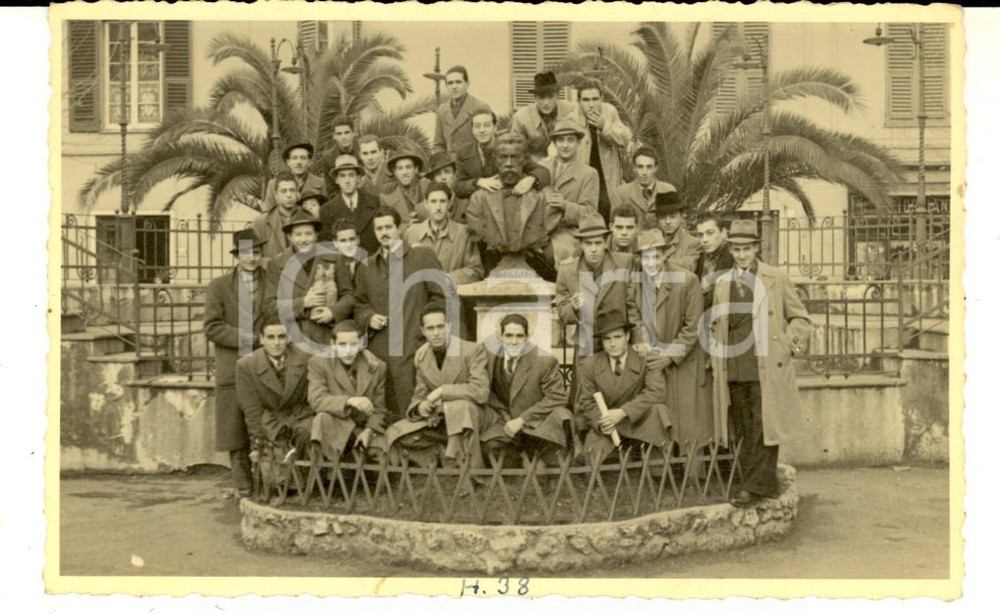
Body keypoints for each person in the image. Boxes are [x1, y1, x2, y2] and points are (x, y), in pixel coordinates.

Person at [709, 219, 812, 507]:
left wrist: (788, 341)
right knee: (742, 425)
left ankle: (756, 487)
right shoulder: (722, 283)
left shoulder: (775, 278)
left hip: (765, 364)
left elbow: (800, 317)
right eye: (737, 249)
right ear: (730, 250)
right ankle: (752, 482)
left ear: (756, 248)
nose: (742, 255)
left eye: (747, 248)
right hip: (734, 365)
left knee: (763, 426)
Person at [352, 206, 448, 419]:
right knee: (383, 410)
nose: (384, 233)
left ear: (399, 228)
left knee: (415, 406)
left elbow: (441, 297)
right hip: (380, 350)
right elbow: (359, 304)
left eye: (388, 227)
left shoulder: (422, 257)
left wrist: (427, 335)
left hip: (414, 345)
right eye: (379, 229)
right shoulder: (366, 267)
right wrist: (368, 317)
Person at [630, 229, 713, 448]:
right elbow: (634, 315)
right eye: (646, 257)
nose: (651, 263)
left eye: (656, 256)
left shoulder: (687, 280)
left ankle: (693, 478)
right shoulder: (637, 283)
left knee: (688, 422)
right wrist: (642, 342)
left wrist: (668, 356)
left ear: (665, 255)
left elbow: (693, 327)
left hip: (683, 361)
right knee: (659, 419)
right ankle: (663, 475)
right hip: (652, 359)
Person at [204, 229, 269, 498]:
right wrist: (251, 339)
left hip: (266, 362)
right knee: (235, 427)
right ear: (236, 256)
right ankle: (242, 483)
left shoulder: (273, 282)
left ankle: (268, 479)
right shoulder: (219, 286)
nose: (251, 258)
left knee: (265, 421)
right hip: (233, 363)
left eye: (255, 252)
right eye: (245, 253)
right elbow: (213, 327)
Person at [386, 303, 489, 468]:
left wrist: (441, 392)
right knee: (396, 432)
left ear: (449, 327)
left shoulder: (472, 350)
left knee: (459, 408)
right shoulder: (422, 358)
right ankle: (443, 454)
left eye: (440, 327)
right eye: (430, 328)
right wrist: (421, 407)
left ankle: (470, 471)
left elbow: (481, 392)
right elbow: (419, 396)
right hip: (439, 418)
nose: (436, 333)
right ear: (423, 331)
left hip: (474, 416)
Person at [465, 132, 569, 281]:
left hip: (531, 267)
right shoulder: (478, 200)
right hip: (496, 268)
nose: (508, 163)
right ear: (496, 160)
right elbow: (477, 227)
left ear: (525, 160)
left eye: (514, 157)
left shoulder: (546, 198)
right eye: (503, 157)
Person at [574, 309, 671, 462]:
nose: (612, 344)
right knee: (592, 468)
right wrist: (602, 423)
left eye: (617, 337)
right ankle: (616, 455)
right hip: (608, 424)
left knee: (658, 410)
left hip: (637, 421)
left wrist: (623, 412)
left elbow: (656, 393)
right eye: (607, 339)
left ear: (627, 336)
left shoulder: (645, 358)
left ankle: (653, 463)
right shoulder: (590, 364)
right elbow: (587, 401)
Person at [480, 314, 575, 465]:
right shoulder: (489, 354)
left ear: (527, 336)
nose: (514, 341)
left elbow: (557, 397)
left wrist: (523, 419)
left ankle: (535, 456)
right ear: (500, 336)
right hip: (504, 422)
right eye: (508, 336)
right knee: (489, 447)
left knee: (549, 452)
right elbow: (486, 389)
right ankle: (517, 461)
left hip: (535, 424)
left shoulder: (544, 360)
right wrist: (505, 417)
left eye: (520, 336)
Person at [554, 212, 638, 361]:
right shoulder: (567, 271)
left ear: (606, 242)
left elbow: (633, 306)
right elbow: (561, 313)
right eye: (588, 243)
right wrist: (572, 308)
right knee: (585, 384)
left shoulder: (625, 263)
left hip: (619, 346)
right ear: (581, 245)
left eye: (598, 243)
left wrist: (638, 341)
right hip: (587, 348)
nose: (593, 249)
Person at [236, 316, 313, 466]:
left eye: (281, 337)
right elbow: (251, 408)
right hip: (271, 421)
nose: (276, 343)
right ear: (262, 339)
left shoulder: (304, 358)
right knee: (277, 475)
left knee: (308, 438)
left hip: (299, 418)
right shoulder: (246, 365)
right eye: (271, 337)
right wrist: (256, 444)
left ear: (288, 339)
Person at [307, 320, 388, 461]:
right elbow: (316, 399)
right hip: (336, 427)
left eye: (353, 344)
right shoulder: (319, 363)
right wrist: (349, 401)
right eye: (342, 345)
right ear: (333, 344)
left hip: (363, 428)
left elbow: (379, 407)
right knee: (321, 419)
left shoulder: (376, 366)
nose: (348, 350)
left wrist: (369, 430)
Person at [453, 109, 551, 216]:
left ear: (495, 127)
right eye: (477, 126)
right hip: (477, 210)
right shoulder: (464, 152)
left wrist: (531, 178)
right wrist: (478, 182)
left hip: (504, 209)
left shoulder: (509, 147)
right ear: (472, 129)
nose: (482, 130)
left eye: (487, 125)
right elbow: (458, 187)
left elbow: (543, 172)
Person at [263, 210, 336, 348]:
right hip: (295, 338)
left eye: (308, 233)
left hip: (327, 335)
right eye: (298, 234)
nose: (303, 239)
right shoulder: (277, 265)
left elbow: (348, 296)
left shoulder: (333, 258)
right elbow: (269, 307)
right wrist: (303, 303)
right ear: (289, 237)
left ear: (316, 235)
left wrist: (333, 312)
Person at [539, 116, 599, 265]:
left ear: (578, 143)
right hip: (538, 230)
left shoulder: (589, 174)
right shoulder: (541, 167)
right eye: (560, 140)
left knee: (551, 255)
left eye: (570, 140)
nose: (565, 145)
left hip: (567, 233)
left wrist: (565, 206)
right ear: (554, 143)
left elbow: (590, 213)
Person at [404, 182, 484, 286]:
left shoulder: (463, 233)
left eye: (442, 201)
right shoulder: (412, 233)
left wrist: (447, 279)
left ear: (450, 203)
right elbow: (403, 271)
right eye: (433, 201)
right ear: (426, 204)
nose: (438, 207)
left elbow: (476, 270)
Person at [575, 80, 632, 222]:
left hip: (607, 177)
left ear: (602, 98)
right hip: (584, 177)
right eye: (586, 100)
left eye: (595, 99)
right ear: (579, 101)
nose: (591, 104)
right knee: (587, 217)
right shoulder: (572, 117)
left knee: (608, 213)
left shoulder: (610, 111)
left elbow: (624, 139)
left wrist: (605, 126)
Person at [318, 154, 380, 256]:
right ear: (336, 180)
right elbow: (327, 246)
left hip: (371, 262)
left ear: (358, 178)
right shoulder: (326, 210)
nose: (347, 181)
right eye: (342, 176)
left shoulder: (374, 202)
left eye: (351, 175)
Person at [510, 71, 578, 162]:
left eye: (550, 96)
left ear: (557, 95)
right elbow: (516, 150)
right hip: (534, 166)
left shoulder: (569, 109)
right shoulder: (521, 118)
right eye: (541, 97)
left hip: (564, 164)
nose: (546, 103)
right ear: (535, 98)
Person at [610, 147, 676, 231]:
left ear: (656, 168)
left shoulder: (668, 190)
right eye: (640, 167)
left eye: (649, 167)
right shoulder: (621, 194)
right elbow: (615, 228)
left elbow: (676, 224)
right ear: (634, 168)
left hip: (661, 242)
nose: (644, 172)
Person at [433, 65, 492, 155]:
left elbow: (489, 142)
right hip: (449, 165)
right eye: (450, 83)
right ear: (446, 86)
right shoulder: (442, 110)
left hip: (472, 164)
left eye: (458, 82)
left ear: (467, 84)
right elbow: (438, 144)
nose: (454, 87)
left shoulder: (480, 107)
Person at [261, 142, 326, 212]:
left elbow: (324, 213)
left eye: (303, 158)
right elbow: (267, 213)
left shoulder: (320, 183)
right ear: (288, 162)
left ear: (309, 162)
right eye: (294, 158)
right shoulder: (273, 184)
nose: (299, 162)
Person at [253, 171, 301, 261]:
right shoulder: (259, 222)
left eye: (292, 190)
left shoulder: (308, 220)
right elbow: (246, 256)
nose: (289, 195)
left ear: (298, 194)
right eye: (283, 191)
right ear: (276, 195)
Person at [694, 212, 735, 310]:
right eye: (700, 235)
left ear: (723, 233)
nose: (704, 240)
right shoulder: (699, 258)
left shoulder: (734, 257)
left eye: (710, 233)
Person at [379, 149, 427, 233]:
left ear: (415, 169)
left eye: (408, 167)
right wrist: (407, 226)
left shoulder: (427, 187)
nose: (404, 172)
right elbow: (387, 227)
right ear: (395, 172)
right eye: (400, 168)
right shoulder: (387, 198)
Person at [654, 190, 702, 272]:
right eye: (663, 217)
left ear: (682, 216)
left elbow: (688, 267)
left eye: (673, 216)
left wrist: (657, 262)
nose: (668, 222)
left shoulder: (693, 243)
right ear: (657, 219)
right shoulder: (650, 240)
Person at [422, 152, 467, 222]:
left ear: (454, 175)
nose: (443, 177)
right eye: (438, 174)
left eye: (447, 172)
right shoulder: (423, 209)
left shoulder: (465, 203)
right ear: (433, 179)